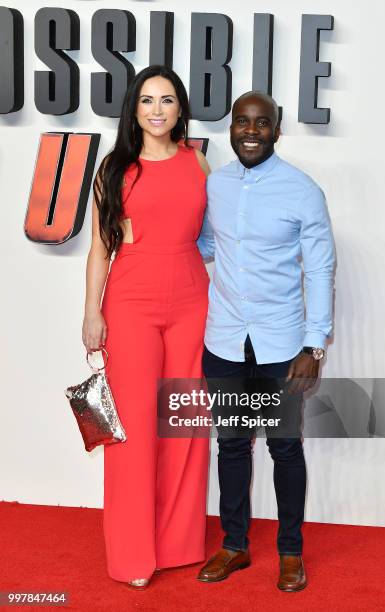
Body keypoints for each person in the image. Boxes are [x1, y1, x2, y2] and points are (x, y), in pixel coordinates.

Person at [196, 91, 335, 591]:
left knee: (284, 449)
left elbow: (320, 271)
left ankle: (291, 552)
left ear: (277, 131)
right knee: (231, 447)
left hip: (283, 347)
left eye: (262, 123)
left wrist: (313, 346)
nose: (250, 131)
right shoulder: (216, 185)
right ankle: (234, 545)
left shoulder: (302, 191)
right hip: (225, 339)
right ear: (230, 129)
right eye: (242, 122)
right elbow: (208, 244)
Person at [82, 65, 211, 589]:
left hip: (191, 298)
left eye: (167, 100)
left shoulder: (198, 160)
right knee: (132, 432)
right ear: (133, 110)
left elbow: (215, 235)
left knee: (184, 421)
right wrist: (92, 311)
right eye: (147, 101)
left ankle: (178, 545)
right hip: (130, 300)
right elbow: (99, 247)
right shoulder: (114, 168)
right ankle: (134, 557)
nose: (157, 110)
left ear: (180, 109)